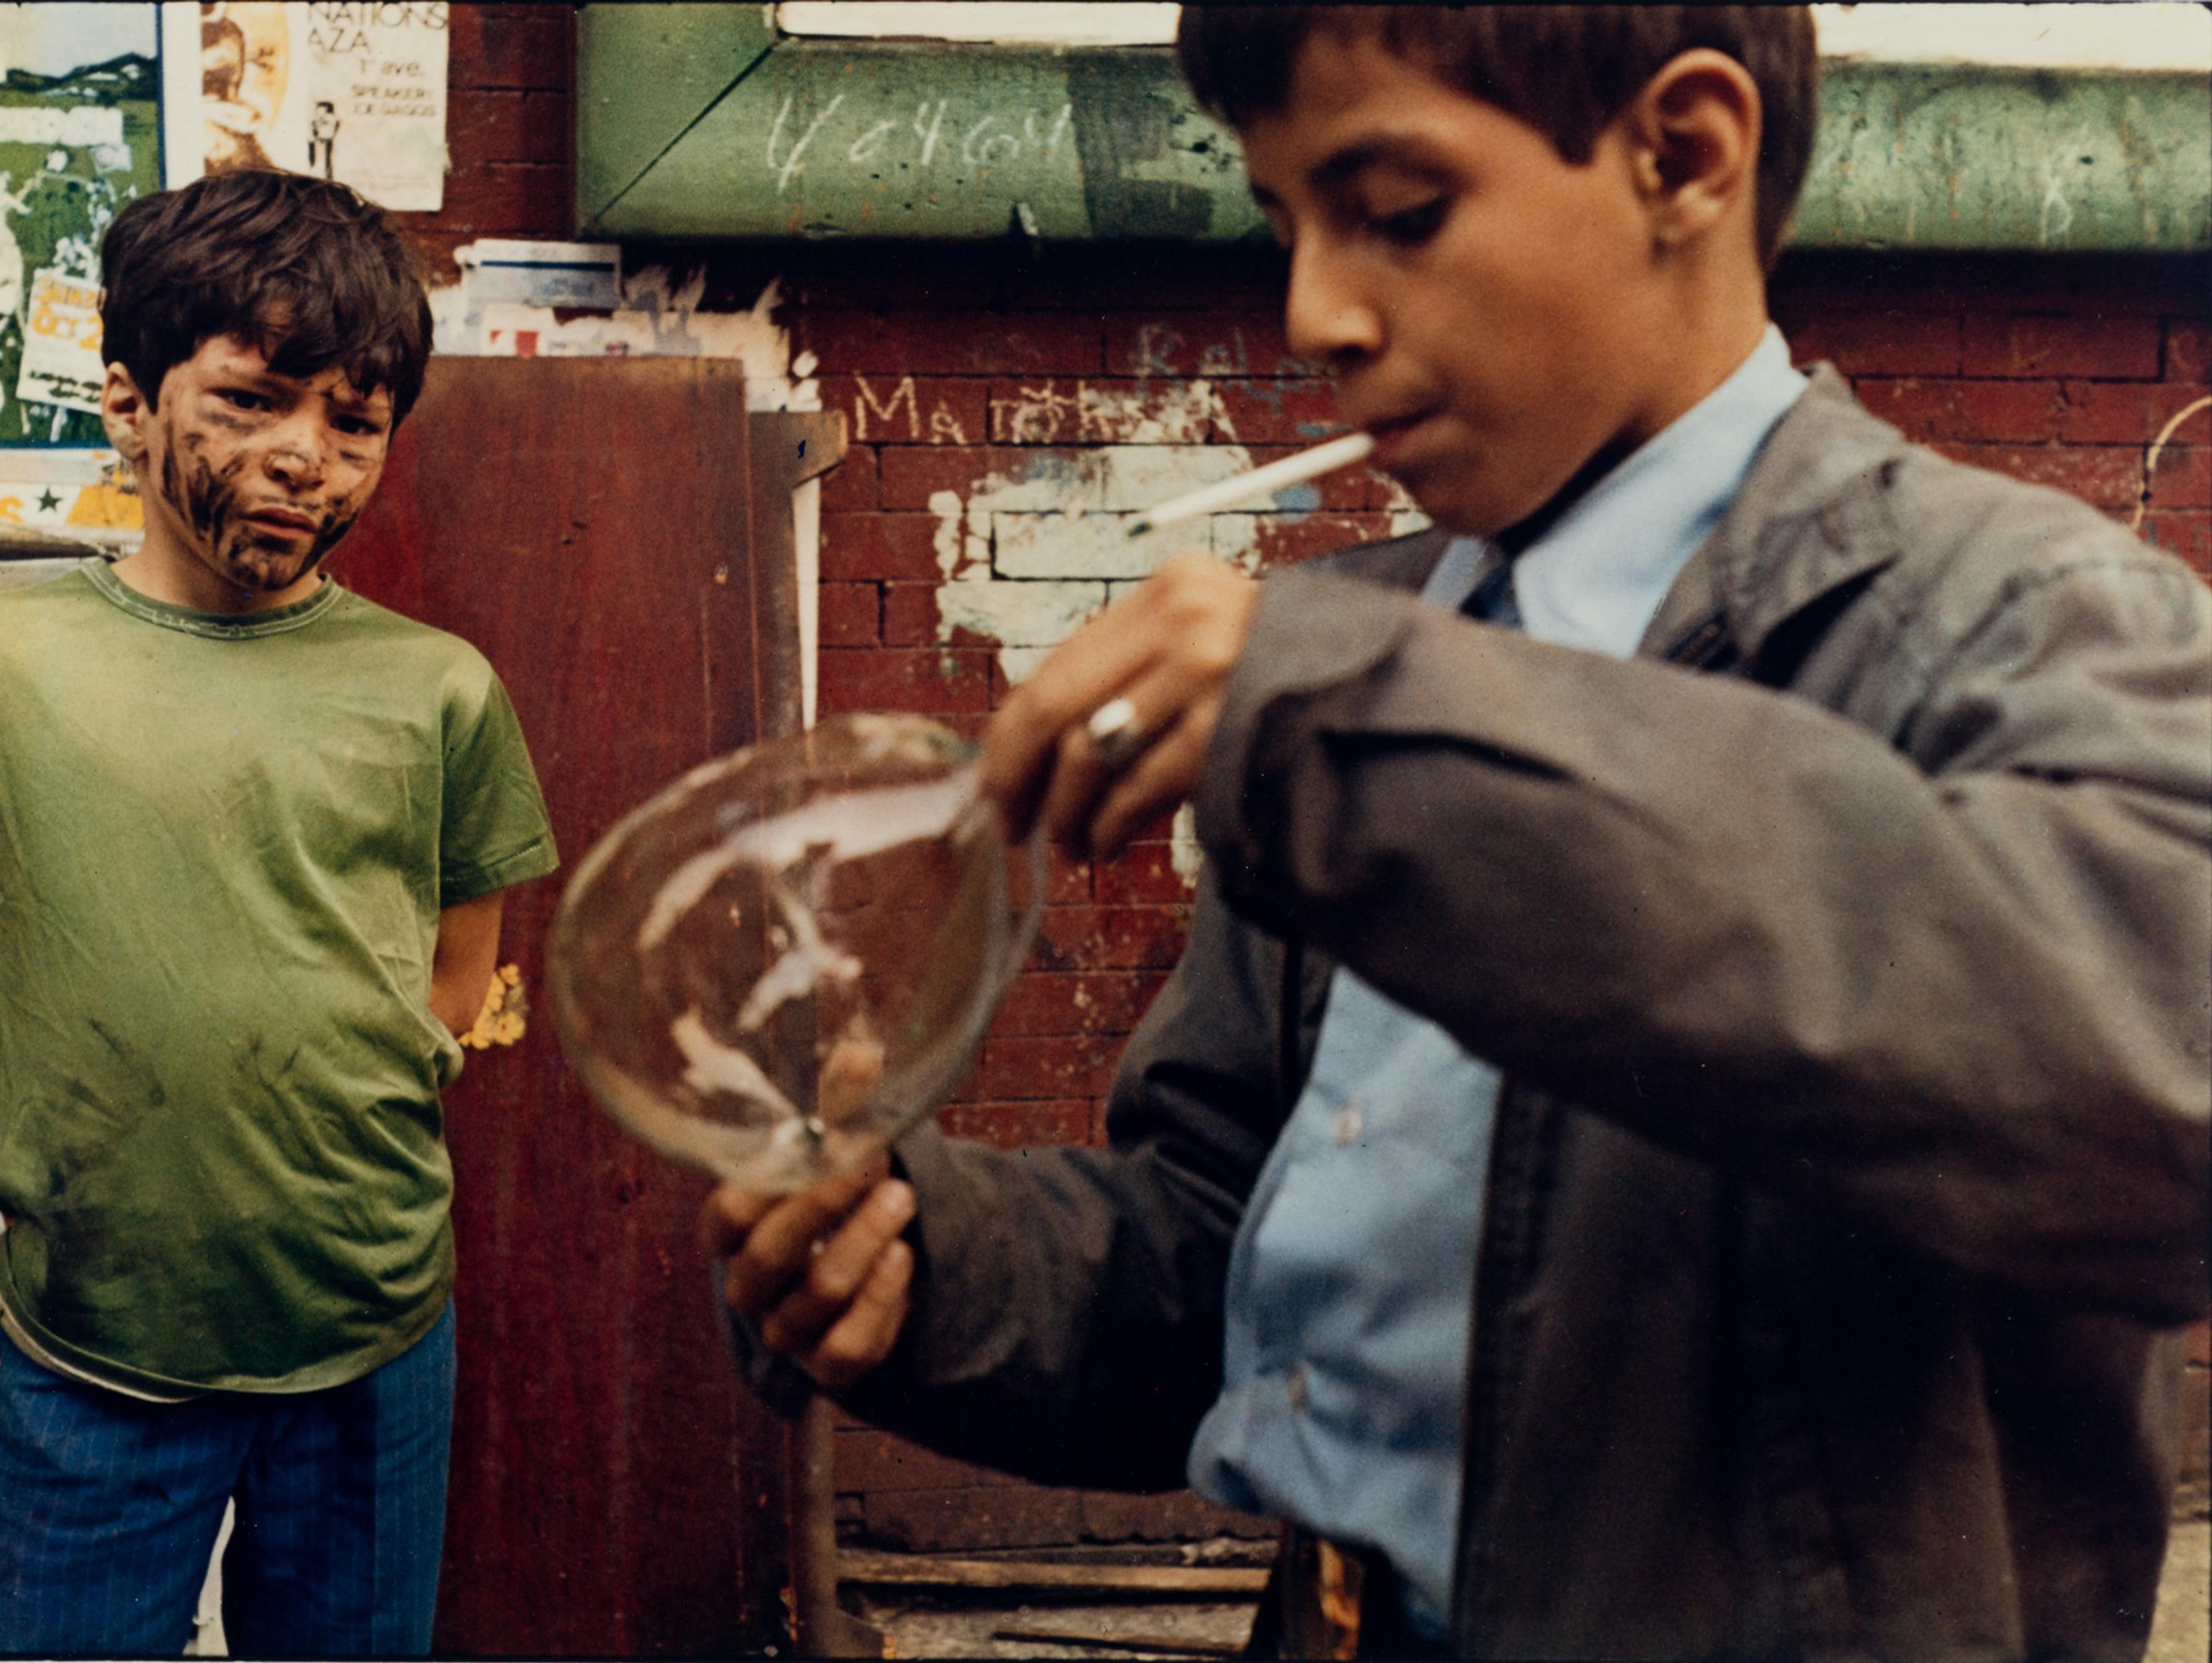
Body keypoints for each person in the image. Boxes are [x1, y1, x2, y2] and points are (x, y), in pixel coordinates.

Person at [704, 9, 2211, 1658]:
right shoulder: (1349, 661)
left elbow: (2149, 1100)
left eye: (1399, 213)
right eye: (1287, 226)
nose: (1313, 316)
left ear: (1684, 156)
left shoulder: (2023, 620)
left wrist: (1370, 729)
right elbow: (1248, 1274)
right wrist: (937, 1267)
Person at [0, 167, 558, 1656]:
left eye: (353, 422)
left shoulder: (439, 688)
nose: (308, 456)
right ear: (129, 403)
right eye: (254, 399)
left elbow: (466, 940)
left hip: (369, 1332)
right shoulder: (0, 661)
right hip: (94, 1336)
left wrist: (380, 1072)